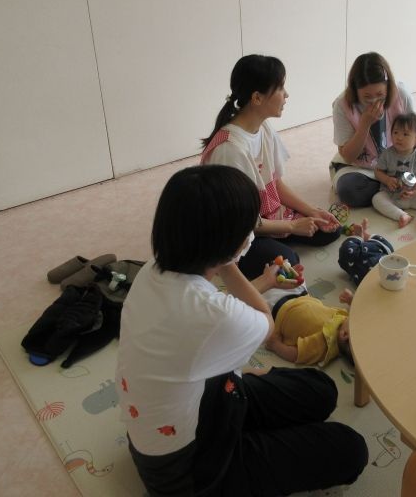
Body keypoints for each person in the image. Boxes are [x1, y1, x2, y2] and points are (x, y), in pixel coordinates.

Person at [116, 165, 368, 496]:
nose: (253, 234)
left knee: (321, 389)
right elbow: (264, 321)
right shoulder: (216, 315)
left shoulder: (151, 271)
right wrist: (231, 262)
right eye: (250, 228)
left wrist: (233, 262)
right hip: (188, 472)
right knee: (351, 449)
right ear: (229, 243)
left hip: (192, 410)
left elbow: (210, 320)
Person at [202, 54, 341, 281]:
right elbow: (242, 222)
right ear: (257, 98)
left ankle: (279, 236)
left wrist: (312, 212)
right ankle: (275, 240)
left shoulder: (264, 129)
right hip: (237, 232)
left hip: (263, 217)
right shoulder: (230, 149)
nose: (286, 95)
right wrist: (293, 226)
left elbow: (275, 184)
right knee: (288, 261)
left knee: (329, 229)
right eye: (280, 88)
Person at [330, 52, 416, 207]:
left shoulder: (401, 94)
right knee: (349, 192)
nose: (374, 101)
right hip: (362, 168)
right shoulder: (342, 105)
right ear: (355, 90)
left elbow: (415, 135)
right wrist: (364, 125)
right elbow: (348, 156)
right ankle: (390, 187)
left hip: (402, 161)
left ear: (388, 86)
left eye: (380, 95)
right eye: (367, 97)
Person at [372, 112, 416, 229]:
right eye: (395, 132)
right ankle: (402, 215)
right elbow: (378, 172)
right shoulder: (387, 154)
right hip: (391, 195)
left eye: (405, 134)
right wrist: (387, 180)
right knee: (377, 199)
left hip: (412, 196)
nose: (399, 137)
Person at [266, 288, 354, 367]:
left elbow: (296, 354)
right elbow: (358, 313)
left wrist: (276, 346)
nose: (356, 319)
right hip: (302, 295)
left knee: (265, 289)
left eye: (355, 323)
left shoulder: (323, 345)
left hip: (280, 308)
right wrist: (351, 300)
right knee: (290, 278)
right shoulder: (345, 323)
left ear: (344, 334)